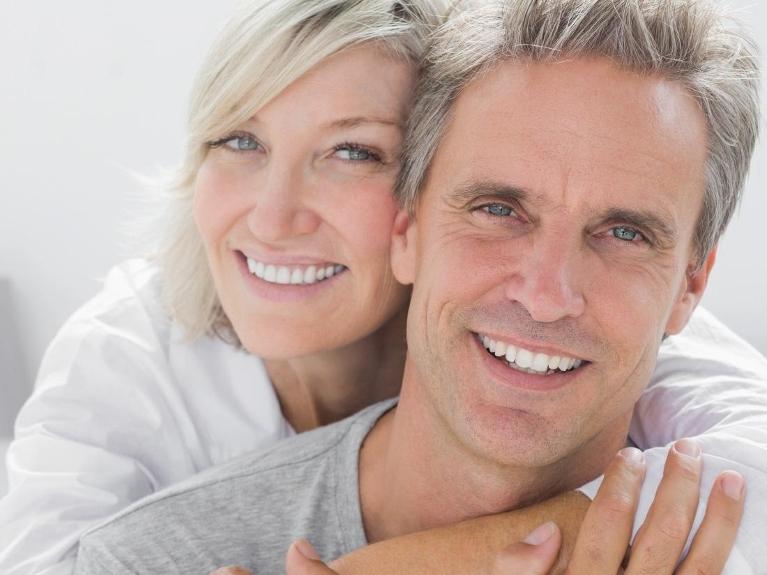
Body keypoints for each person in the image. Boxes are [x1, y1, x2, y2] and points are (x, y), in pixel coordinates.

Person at [2, 0, 766, 573]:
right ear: (409, 228)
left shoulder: (719, 504)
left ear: (691, 283)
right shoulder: (144, 533)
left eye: (624, 233)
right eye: (497, 209)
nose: (544, 293)